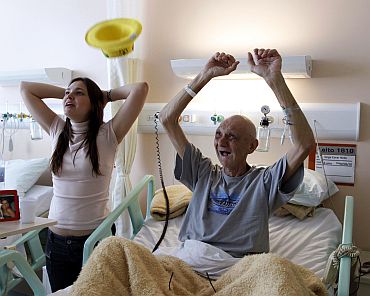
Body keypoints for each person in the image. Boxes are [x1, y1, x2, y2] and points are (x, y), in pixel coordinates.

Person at [158, 48, 315, 277]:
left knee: (283, 279)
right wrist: (205, 75)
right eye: (219, 134)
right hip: (190, 261)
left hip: (238, 270)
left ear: (252, 146)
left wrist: (275, 80)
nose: (222, 141)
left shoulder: (264, 182)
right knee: (113, 250)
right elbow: (167, 118)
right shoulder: (202, 173)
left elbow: (304, 145)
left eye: (232, 137)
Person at [20, 77, 148, 292]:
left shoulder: (108, 134)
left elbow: (140, 88)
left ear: (94, 102)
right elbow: (27, 88)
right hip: (56, 243)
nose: (69, 96)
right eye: (67, 93)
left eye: (79, 93)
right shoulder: (57, 130)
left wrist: (104, 95)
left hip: (94, 242)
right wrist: (70, 92)